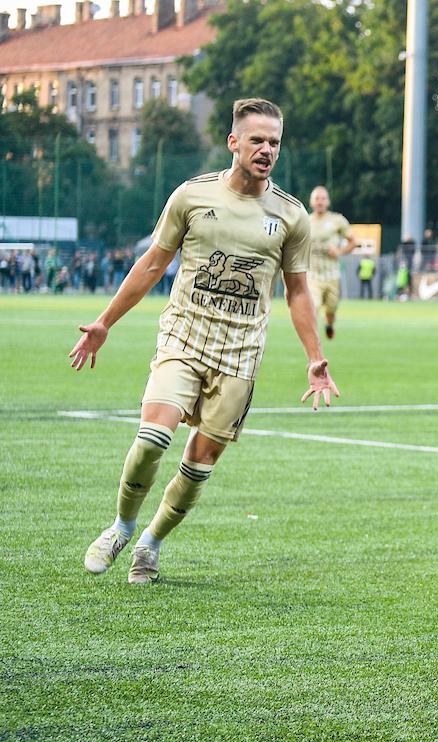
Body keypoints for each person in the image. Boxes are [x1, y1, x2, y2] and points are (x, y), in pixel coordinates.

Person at [73, 98, 339, 585]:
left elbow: (298, 290)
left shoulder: (290, 216)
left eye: (274, 142)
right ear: (233, 142)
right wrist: (105, 322)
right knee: (153, 437)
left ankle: (150, 544)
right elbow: (153, 264)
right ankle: (120, 527)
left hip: (240, 354)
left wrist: (315, 358)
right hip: (185, 336)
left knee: (201, 463)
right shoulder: (191, 196)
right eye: (256, 140)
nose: (266, 150)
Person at [306, 185, 356, 340]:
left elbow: (353, 242)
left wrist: (339, 252)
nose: (320, 202)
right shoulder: (305, 221)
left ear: (328, 202)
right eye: (317, 198)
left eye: (323, 198)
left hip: (332, 274)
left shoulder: (337, 220)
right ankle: (313, 340)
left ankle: (329, 324)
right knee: (313, 306)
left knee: (331, 309)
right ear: (311, 202)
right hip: (313, 274)